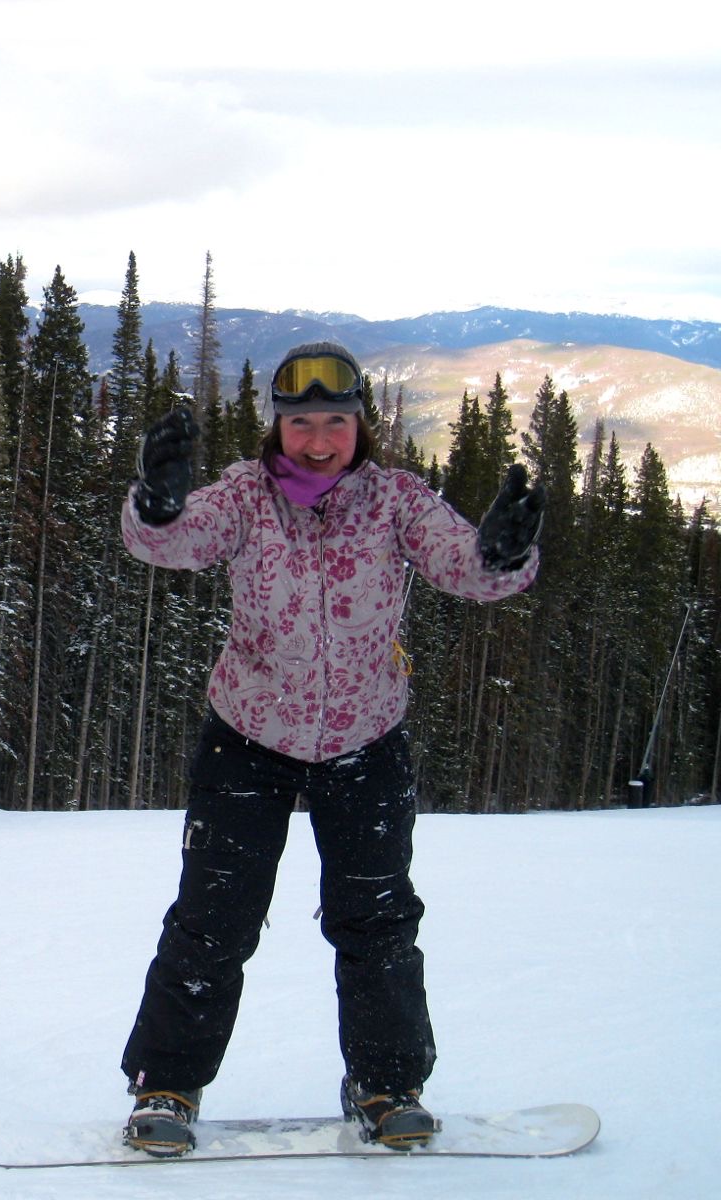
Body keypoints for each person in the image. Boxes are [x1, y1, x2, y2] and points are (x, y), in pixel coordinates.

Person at [116, 341, 545, 1155]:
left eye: (336, 423)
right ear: (277, 426)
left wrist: (502, 550)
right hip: (249, 735)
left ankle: (386, 1086)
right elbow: (171, 544)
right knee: (213, 921)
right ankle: (166, 1086)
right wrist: (159, 505)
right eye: (302, 422)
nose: (318, 440)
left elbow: (467, 568)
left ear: (361, 425)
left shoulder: (394, 499)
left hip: (366, 739)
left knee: (378, 921)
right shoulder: (245, 496)